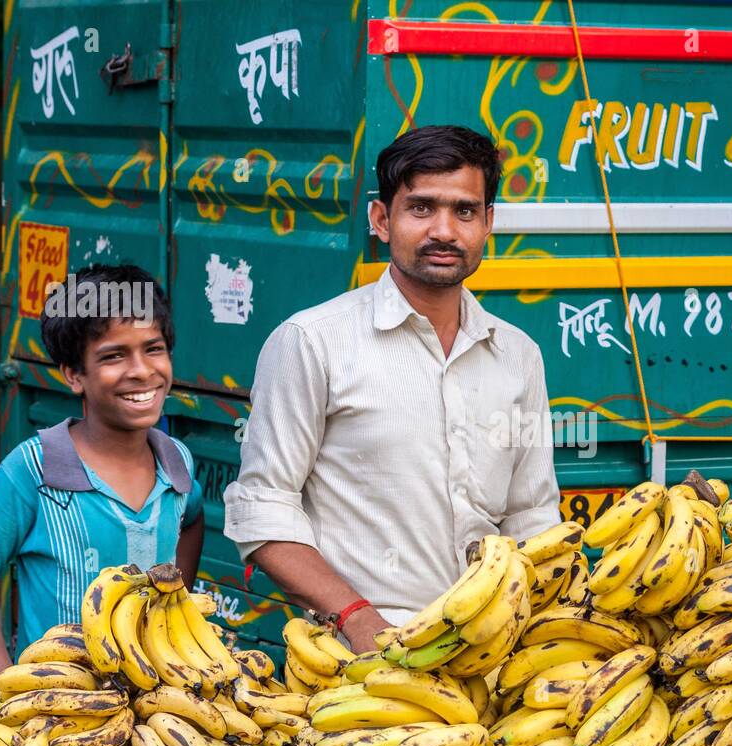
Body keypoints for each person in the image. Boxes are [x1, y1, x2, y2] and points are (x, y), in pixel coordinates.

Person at [225, 125, 561, 652]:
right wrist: (357, 619)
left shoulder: (518, 356)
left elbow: (531, 515)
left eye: (465, 211)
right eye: (421, 208)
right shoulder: (313, 342)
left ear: (489, 223)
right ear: (382, 220)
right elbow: (263, 508)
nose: (445, 230)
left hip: (490, 654)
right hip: (357, 662)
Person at [0, 264, 205, 670]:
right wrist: (3, 684)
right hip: (60, 705)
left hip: (156, 704)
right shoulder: (35, 468)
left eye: (153, 349)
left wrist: (175, 607)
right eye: (114, 356)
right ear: (73, 374)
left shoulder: (176, 460)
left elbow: (191, 517)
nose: (141, 370)